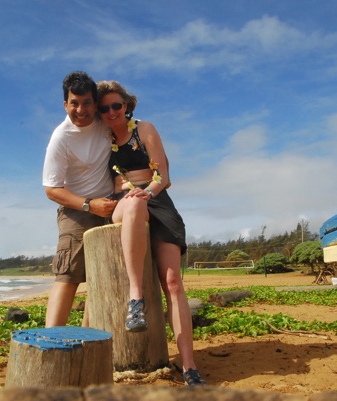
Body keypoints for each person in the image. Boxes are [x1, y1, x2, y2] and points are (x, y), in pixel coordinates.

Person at [96, 80, 206, 386]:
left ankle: (189, 366)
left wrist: (149, 191)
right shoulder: (98, 138)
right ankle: (136, 299)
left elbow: (164, 175)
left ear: (127, 105)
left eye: (116, 105)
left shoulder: (144, 129)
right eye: (104, 108)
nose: (111, 112)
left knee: (172, 282)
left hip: (156, 198)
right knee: (131, 206)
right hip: (123, 202)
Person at [42, 71, 117, 327]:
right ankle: (50, 344)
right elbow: (52, 190)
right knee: (68, 275)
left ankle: (89, 340)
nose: (81, 110)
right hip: (76, 210)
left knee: (102, 279)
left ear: (95, 103)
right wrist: (89, 204)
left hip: (111, 207)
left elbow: (129, 115)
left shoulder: (105, 119)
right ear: (65, 104)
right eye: (74, 103)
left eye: (87, 103)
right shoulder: (61, 137)